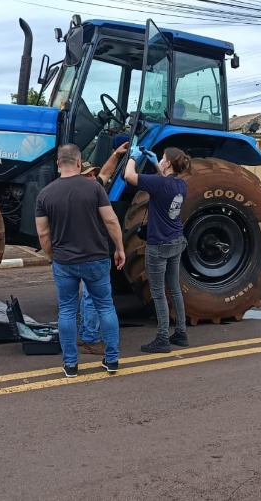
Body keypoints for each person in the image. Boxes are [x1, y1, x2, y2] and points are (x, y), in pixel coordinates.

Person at [35, 144, 126, 378]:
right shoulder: (94, 188)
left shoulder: (45, 194)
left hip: (64, 261)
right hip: (96, 258)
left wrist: (50, 255)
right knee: (105, 306)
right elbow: (111, 221)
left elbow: (43, 234)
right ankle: (112, 360)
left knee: (66, 310)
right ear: (78, 162)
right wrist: (119, 248)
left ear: (58, 164)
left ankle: (71, 365)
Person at [124, 146, 191, 353]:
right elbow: (166, 181)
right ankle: (180, 332)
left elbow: (128, 176)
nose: (161, 160)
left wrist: (134, 156)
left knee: (158, 293)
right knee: (174, 287)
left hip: (159, 245)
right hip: (176, 241)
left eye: (162, 158)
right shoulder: (181, 185)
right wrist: (154, 162)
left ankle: (162, 337)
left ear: (168, 163)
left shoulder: (157, 183)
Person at [77, 142, 129, 355]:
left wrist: (116, 154)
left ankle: (84, 334)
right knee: (93, 297)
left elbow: (106, 174)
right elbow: (110, 222)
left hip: (81, 254)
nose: (94, 177)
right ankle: (91, 339)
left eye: (93, 174)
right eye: (88, 174)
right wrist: (119, 248)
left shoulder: (84, 191)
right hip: (94, 253)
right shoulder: (91, 195)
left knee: (85, 295)